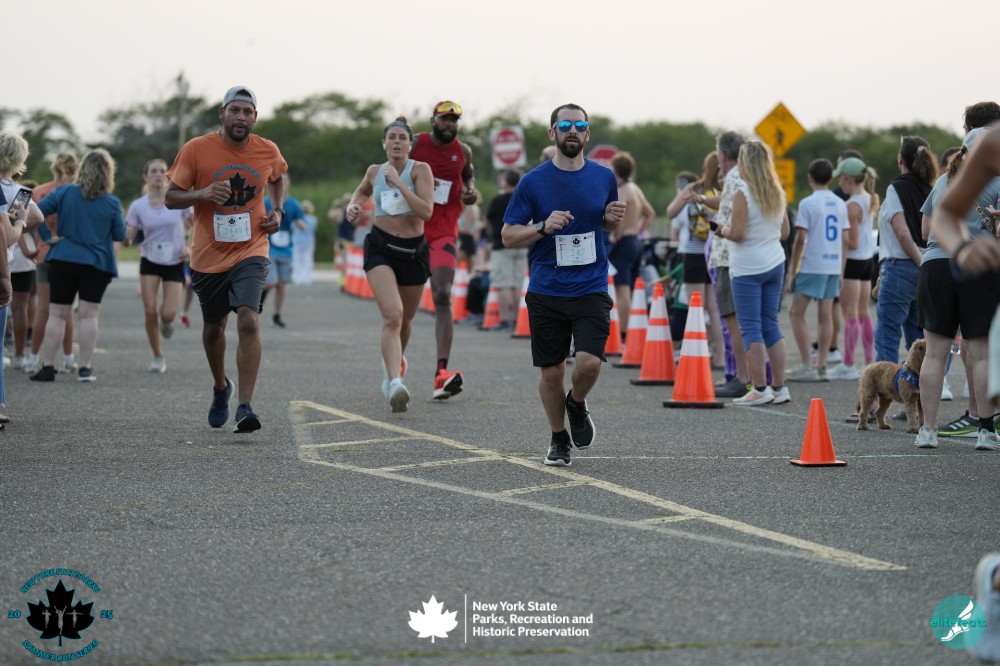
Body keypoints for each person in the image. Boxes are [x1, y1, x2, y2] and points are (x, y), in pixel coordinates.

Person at [501, 103, 626, 466]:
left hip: (591, 285)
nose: (573, 131)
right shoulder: (532, 181)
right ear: (552, 132)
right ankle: (558, 438)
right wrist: (542, 226)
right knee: (552, 370)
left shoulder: (604, 177)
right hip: (547, 288)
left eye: (580, 126)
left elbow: (607, 224)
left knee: (589, 364)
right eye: (565, 124)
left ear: (587, 134)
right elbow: (508, 236)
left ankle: (576, 403)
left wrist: (611, 219)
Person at [164, 85, 287, 432]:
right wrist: (203, 192)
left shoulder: (267, 149)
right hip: (208, 254)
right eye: (235, 110)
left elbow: (278, 176)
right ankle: (221, 387)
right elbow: (171, 198)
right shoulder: (196, 149)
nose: (241, 117)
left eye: (247, 112)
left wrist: (278, 211)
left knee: (248, 319)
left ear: (255, 117)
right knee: (214, 329)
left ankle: (245, 407)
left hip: (252, 247)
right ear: (222, 114)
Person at [912, 127, 1000, 450]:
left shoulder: (942, 181)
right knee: (980, 354)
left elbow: (926, 228)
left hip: (936, 263)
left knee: (934, 353)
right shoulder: (996, 181)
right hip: (978, 262)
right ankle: (986, 430)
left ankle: (927, 430)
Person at [345, 116, 434, 412]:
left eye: (402, 138)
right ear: (384, 143)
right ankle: (395, 382)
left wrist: (399, 184)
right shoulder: (374, 171)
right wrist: (353, 205)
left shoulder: (420, 170)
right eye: (391, 137)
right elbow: (362, 190)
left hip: (413, 251)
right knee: (393, 316)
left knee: (405, 321)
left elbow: (426, 212)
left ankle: (390, 367)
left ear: (410, 144)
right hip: (380, 248)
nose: (396, 142)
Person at [30, 149, 126, 383]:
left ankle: (48, 367)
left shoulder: (64, 191)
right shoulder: (112, 202)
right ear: (108, 173)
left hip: (63, 258)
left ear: (82, 169)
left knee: (57, 314)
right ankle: (84, 369)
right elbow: (120, 234)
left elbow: (37, 210)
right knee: (88, 315)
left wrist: (47, 237)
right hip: (97, 263)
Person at [409, 100, 477, 399]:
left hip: (443, 231)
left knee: (442, 293)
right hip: (411, 230)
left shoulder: (463, 151)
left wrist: (470, 192)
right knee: (403, 307)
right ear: (433, 120)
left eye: (454, 120)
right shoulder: (415, 143)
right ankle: (395, 366)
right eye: (444, 119)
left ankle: (441, 373)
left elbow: (468, 176)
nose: (449, 124)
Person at [714, 141, 790, 405]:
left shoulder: (743, 193)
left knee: (750, 327)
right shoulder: (777, 192)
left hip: (747, 267)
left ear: (745, 164)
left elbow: (737, 233)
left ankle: (759, 388)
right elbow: (785, 232)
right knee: (771, 324)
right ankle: (779, 387)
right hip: (775, 263)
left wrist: (721, 229)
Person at [124, 158, 192, 374]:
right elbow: (129, 235)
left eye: (163, 171)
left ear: (169, 175)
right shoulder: (138, 206)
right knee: (150, 310)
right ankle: (158, 355)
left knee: (168, 314)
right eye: (153, 171)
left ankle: (167, 322)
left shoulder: (178, 200)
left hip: (174, 261)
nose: (158, 174)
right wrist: (124, 236)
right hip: (150, 260)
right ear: (146, 176)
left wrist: (191, 247)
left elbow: (197, 224)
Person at [874, 136, 937, 364]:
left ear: (900, 158)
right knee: (917, 340)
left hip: (900, 267)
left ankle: (884, 384)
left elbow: (901, 232)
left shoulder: (896, 188)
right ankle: (922, 384)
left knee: (887, 335)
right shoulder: (930, 189)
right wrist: (924, 264)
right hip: (925, 267)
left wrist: (918, 261)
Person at [785, 159, 849, 381]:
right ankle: (821, 364)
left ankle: (807, 365)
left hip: (813, 264)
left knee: (796, 312)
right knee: (825, 315)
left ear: (809, 177)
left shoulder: (807, 203)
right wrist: (841, 271)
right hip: (833, 264)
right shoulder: (840, 203)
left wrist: (793, 271)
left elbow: (800, 239)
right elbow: (845, 239)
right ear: (831, 178)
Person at [665, 153, 725, 364]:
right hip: (715, 252)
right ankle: (721, 356)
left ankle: (696, 354)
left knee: (695, 306)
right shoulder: (724, 189)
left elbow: (670, 212)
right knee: (714, 308)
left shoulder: (694, 189)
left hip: (694, 252)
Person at [707, 131, 752, 397]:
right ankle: (754, 377)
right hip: (745, 257)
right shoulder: (748, 176)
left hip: (727, 257)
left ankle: (743, 377)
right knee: (749, 321)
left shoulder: (734, 178)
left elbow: (730, 219)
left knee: (733, 320)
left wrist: (716, 226)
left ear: (723, 156)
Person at [25, 152, 78, 375]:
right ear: (74, 170)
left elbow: (17, 217)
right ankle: (67, 358)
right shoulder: (76, 191)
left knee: (44, 310)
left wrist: (38, 241)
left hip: (44, 254)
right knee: (65, 311)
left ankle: (32, 357)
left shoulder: (37, 191)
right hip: (69, 254)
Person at [831, 157, 879, 382]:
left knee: (850, 313)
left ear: (849, 179)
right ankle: (869, 361)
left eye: (841, 178)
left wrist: (836, 239)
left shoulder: (851, 205)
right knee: (862, 312)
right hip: (867, 261)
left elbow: (852, 242)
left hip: (852, 262)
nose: (839, 182)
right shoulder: (869, 198)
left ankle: (849, 363)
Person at [0, 133, 44, 372]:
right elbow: (37, 217)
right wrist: (18, 225)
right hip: (7, 259)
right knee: (19, 307)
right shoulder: (21, 191)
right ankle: (18, 354)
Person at [608, 152, 655, 336]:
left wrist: (616, 234)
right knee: (631, 287)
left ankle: (623, 331)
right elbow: (650, 214)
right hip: (635, 241)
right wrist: (639, 230)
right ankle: (631, 329)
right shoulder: (635, 188)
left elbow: (617, 218)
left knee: (622, 288)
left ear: (616, 171)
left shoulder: (622, 191)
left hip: (624, 242)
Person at [260, 173, 303, 328]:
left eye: (285, 180)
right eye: (280, 180)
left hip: (286, 249)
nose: (283, 182)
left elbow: (301, 221)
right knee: (272, 282)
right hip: (270, 247)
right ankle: (259, 301)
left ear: (289, 183)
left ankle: (277, 314)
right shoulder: (266, 202)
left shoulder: (294, 204)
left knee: (282, 285)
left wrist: (300, 224)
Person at [486, 170, 526, 329]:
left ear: (505, 182)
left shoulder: (497, 201)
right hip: (522, 243)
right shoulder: (523, 198)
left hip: (502, 245)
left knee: (503, 283)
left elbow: (489, 221)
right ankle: (518, 319)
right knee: (518, 283)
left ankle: (504, 319)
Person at [292, 199, 317, 285]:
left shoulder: (297, 219)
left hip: (297, 241)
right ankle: (307, 278)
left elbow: (292, 228)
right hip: (309, 242)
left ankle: (298, 278)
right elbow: (313, 230)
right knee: (308, 260)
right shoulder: (313, 219)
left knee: (297, 260)